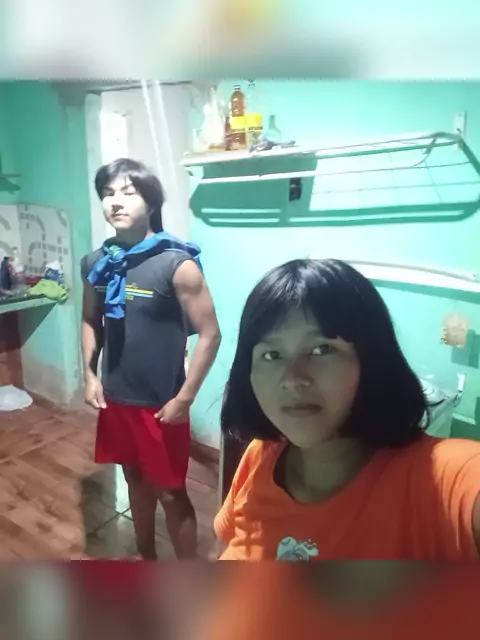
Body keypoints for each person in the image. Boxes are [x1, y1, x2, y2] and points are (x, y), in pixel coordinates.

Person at [215, 258, 480, 560]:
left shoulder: (437, 479)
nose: (292, 379)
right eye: (272, 354)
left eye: (321, 349)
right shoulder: (262, 454)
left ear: (370, 361)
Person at [81, 158, 221, 560]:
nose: (115, 201)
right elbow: (90, 320)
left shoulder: (177, 264)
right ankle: (146, 558)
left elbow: (211, 334)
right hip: (116, 398)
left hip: (162, 405)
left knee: (171, 493)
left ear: (152, 202)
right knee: (133, 479)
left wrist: (185, 398)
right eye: (108, 193)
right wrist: (90, 375)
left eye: (128, 192)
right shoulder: (96, 263)